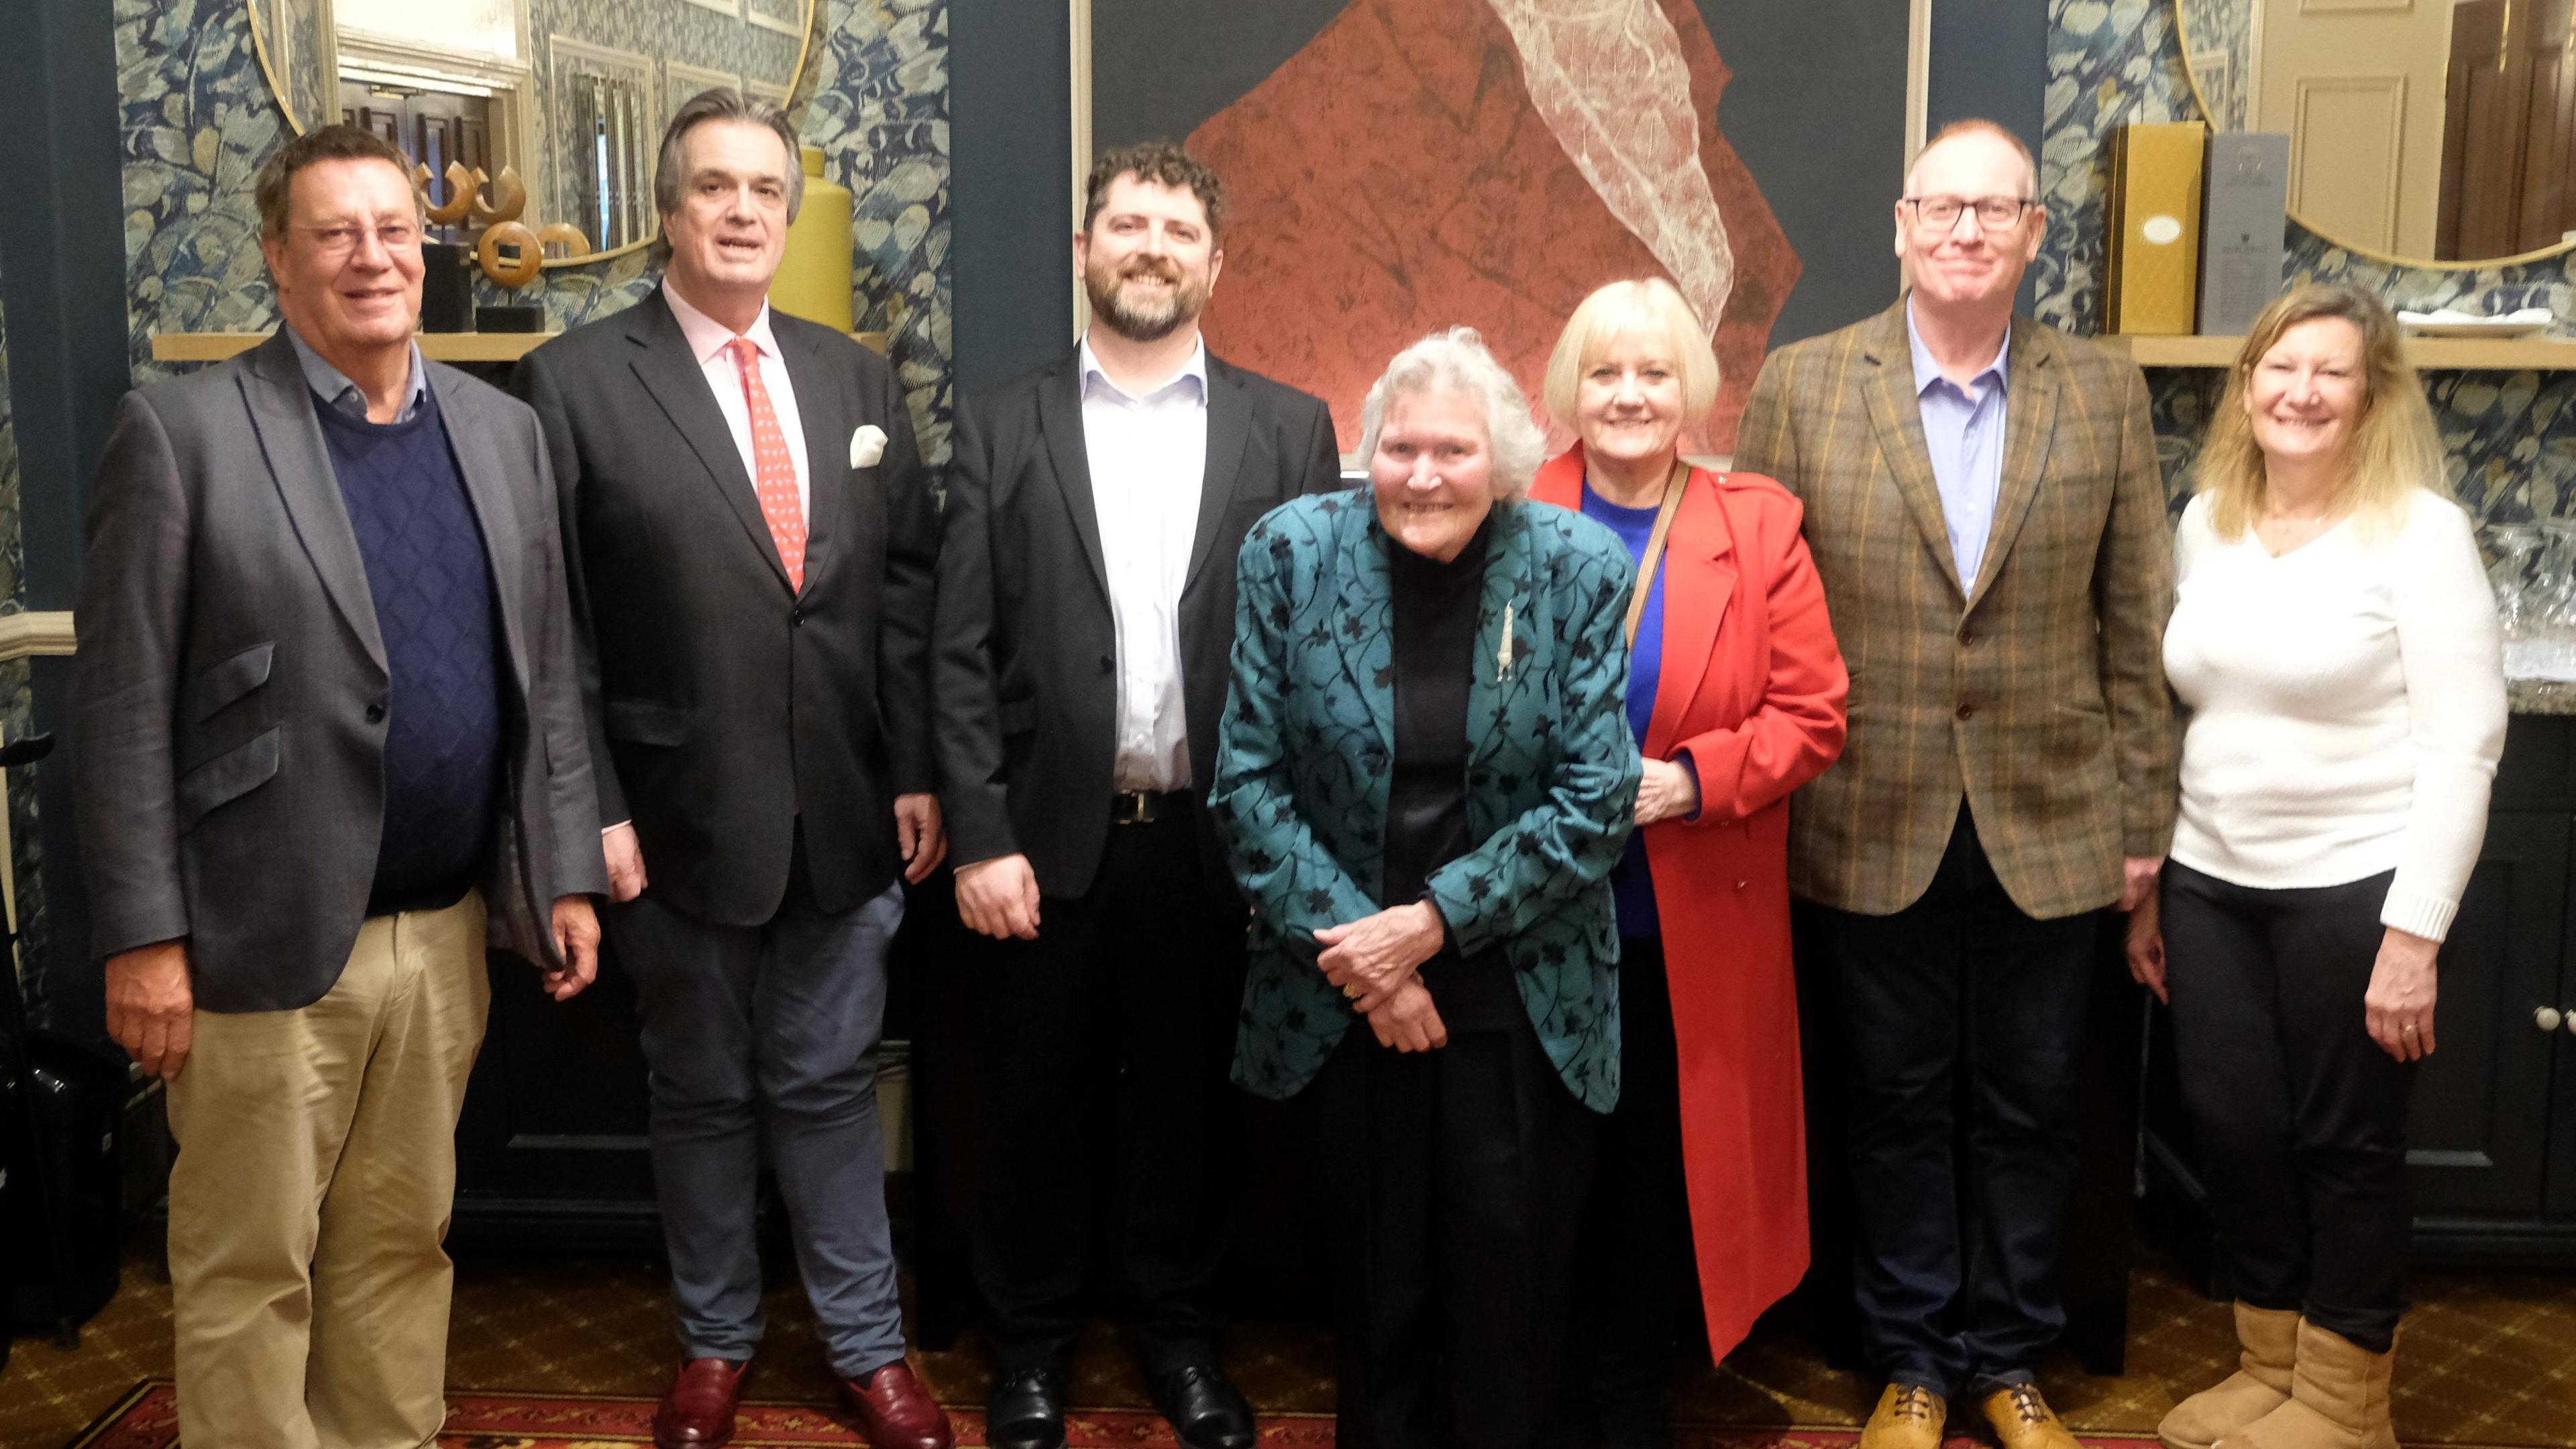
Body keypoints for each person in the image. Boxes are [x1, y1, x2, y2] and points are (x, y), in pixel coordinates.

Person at [69, 123, 605, 1449]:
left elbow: (544, 671)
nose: (374, 257)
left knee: (399, 1249)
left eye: (393, 228)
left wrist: (566, 867)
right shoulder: (185, 431)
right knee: (253, 1269)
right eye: (335, 232)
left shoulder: (500, 431)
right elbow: (124, 705)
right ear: (278, 255)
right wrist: (142, 940)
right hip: (258, 946)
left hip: (443, 939)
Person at [514, 89, 951, 1449]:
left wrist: (918, 768)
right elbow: (558, 621)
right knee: (698, 1092)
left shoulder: (857, 376)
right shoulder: (578, 380)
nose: (745, 210)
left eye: (767, 187)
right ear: (668, 211)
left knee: (828, 1085)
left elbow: (904, 593)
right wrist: (596, 812)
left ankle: (871, 1354)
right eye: (716, 186)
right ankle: (714, 1342)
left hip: (846, 815)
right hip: (676, 825)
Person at [1731, 117, 2177, 1449]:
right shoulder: (1806, 386)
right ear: (1902, 225)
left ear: (2036, 233)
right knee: (1894, 1101)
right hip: (1867, 814)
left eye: (1999, 209)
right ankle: (1914, 1360)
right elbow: (1757, 612)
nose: (1970, 229)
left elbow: (2135, 624)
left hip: (2056, 816)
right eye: (1946, 207)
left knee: (2036, 1103)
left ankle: (2008, 1357)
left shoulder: (2104, 389)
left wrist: (2143, 829)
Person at [931, 140, 1342, 1449]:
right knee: (1032, 1107)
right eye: (1127, 224)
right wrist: (981, 834)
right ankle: (1031, 1352)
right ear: (1084, 251)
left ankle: (1179, 1339)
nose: (1151, 245)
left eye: (1177, 229)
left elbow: (1323, 650)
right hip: (1042, 843)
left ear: (1216, 264)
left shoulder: (1291, 428)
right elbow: (956, 647)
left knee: (1190, 1109)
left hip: (1220, 844)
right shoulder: (1002, 422)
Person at [1212, 326, 1642, 1449]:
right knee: (1373, 1300)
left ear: (1502, 464)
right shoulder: (1290, 553)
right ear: (1369, 455)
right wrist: (1374, 957)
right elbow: (1245, 784)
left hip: (1519, 997)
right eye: (1400, 449)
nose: (1423, 475)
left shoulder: (1577, 568)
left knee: (1510, 1310)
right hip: (1345, 994)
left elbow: (1597, 799)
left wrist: (1430, 926)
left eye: (1453, 451)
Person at [2131, 284, 2504, 1449]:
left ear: (2371, 396)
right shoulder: (2206, 523)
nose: (2299, 393)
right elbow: (2184, 712)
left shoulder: (2420, 534)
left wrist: (2415, 934)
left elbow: (2465, 742)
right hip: (2211, 885)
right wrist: (2154, 896)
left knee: (2347, 1145)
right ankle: (2271, 1364)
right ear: (2247, 387)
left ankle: (2347, 1402)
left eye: (2329, 373)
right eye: (2278, 369)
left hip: (2357, 889)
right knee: (2232, 1130)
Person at [1529, 278, 1847, 1445]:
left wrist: (1690, 782)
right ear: (1571, 386)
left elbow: (1814, 711)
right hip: (1534, 917)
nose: (1627, 396)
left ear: (1691, 393)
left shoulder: (1756, 524)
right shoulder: (1510, 507)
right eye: (1605, 373)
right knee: (1549, 1169)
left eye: (1653, 374)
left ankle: (1631, 1393)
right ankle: (1544, 1385)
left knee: (1663, 1170)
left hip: (1690, 914)